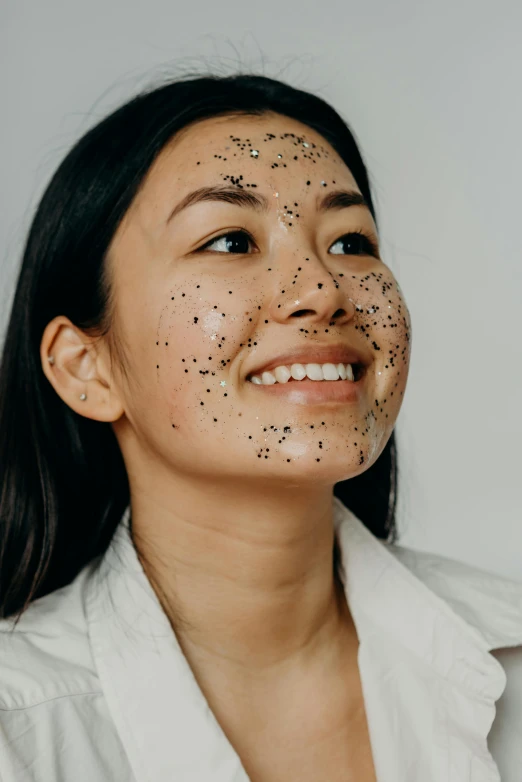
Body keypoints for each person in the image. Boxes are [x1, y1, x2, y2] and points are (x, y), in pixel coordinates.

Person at [0, 72, 520, 782]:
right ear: (84, 367)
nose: (321, 289)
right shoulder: (20, 728)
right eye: (229, 241)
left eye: (351, 242)